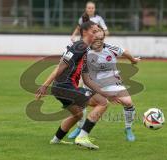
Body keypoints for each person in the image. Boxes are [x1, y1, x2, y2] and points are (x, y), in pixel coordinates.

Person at [35, 21, 116, 150]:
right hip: (65, 87)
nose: (97, 34)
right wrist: (45, 85)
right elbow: (60, 66)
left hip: (61, 88)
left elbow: (86, 79)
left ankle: (56, 139)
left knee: (77, 115)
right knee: (103, 103)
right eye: (94, 31)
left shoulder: (85, 49)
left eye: (97, 31)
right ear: (85, 32)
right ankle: (82, 137)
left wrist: (104, 92)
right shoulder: (79, 46)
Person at [68, 26, 141, 141]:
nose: (99, 41)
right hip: (92, 83)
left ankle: (128, 129)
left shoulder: (111, 48)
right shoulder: (85, 51)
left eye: (101, 39)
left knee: (128, 102)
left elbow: (125, 52)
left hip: (112, 81)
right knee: (82, 103)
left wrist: (133, 60)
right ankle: (79, 128)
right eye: (96, 39)